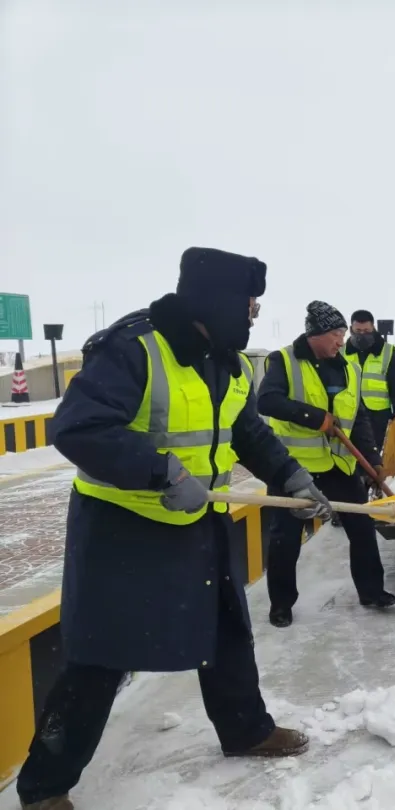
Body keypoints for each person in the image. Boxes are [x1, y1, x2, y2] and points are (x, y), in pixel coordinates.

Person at [16, 248, 325, 810]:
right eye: (249, 302)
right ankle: (44, 787)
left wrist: (290, 475)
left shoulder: (228, 360)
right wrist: (158, 470)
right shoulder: (133, 349)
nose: (255, 312)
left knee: (228, 628)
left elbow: (246, 427)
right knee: (100, 656)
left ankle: (246, 730)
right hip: (122, 528)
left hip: (197, 520)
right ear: (217, 302)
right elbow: (78, 427)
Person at [258, 301, 395, 626]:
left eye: (342, 334)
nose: (340, 341)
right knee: (285, 539)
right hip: (295, 470)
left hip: (341, 467)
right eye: (336, 334)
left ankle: (372, 591)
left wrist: (372, 463)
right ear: (317, 334)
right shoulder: (283, 361)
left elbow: (358, 418)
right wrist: (313, 417)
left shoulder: (349, 367)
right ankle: (281, 605)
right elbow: (266, 400)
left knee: (362, 529)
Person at [344, 309, 395, 451]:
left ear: (373, 328)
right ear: (350, 329)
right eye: (358, 330)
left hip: (378, 416)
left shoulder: (388, 352)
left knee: (375, 453)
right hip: (349, 414)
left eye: (366, 330)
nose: (362, 334)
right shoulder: (341, 352)